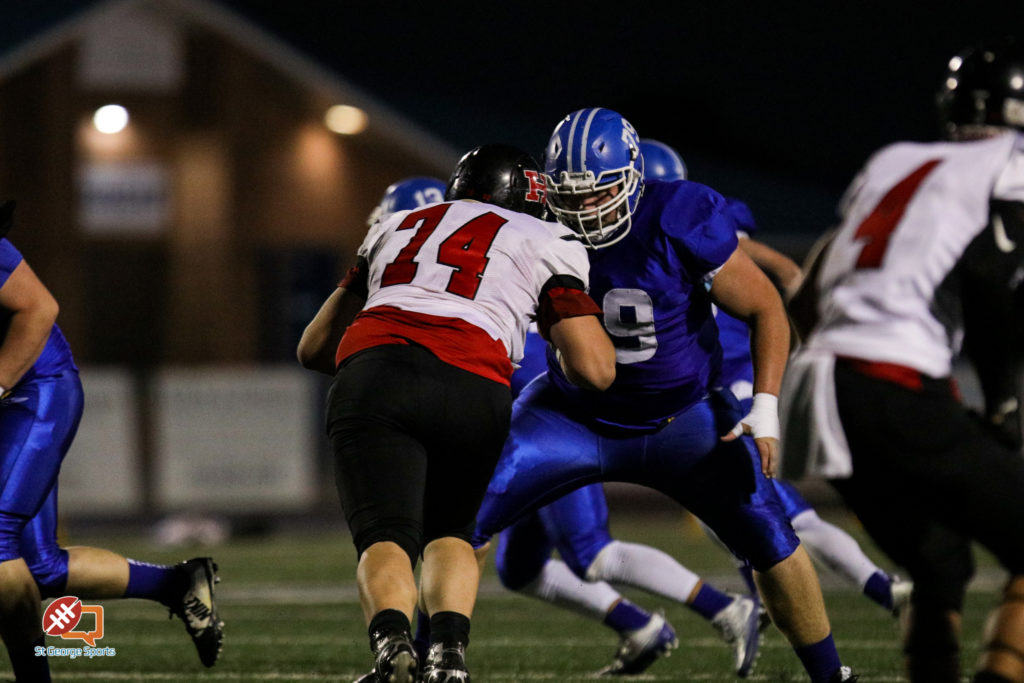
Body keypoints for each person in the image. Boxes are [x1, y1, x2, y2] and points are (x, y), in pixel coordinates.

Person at [471, 107, 858, 683]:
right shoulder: (536, 224)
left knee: (774, 541)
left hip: (685, 421)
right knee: (459, 519)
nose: (581, 211)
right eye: (568, 197)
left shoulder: (680, 213)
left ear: (630, 177)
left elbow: (765, 307)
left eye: (596, 194)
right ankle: (435, 658)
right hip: (571, 416)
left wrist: (766, 408)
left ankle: (830, 675)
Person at [296, 144, 615, 683]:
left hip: (376, 374)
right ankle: (448, 657)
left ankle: (391, 643)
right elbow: (595, 369)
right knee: (452, 532)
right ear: (529, 197)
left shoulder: (396, 224)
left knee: (387, 536)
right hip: (473, 383)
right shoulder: (547, 238)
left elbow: (313, 347)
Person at [779, 38, 1024, 683]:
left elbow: (804, 298)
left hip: (822, 386)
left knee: (940, 563)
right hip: (891, 379)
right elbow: (992, 276)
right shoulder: (1010, 164)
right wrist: (1003, 398)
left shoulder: (894, 161)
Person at [0, 209, 223, 682]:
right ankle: (176, 583)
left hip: (34, 390)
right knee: (40, 568)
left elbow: (39, 307)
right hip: (12, 397)